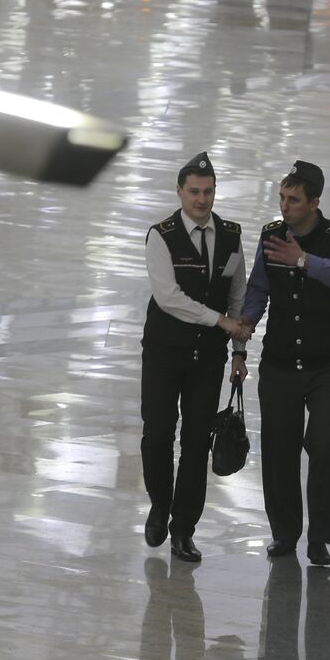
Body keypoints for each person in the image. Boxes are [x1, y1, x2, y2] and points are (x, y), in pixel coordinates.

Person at [242, 160, 330, 566]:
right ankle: (285, 534)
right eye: (282, 198)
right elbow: (259, 287)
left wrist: (303, 260)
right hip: (280, 363)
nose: (285, 206)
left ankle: (320, 537)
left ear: (314, 202)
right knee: (279, 450)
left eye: (293, 200)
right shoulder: (272, 236)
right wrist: (246, 324)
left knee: (324, 445)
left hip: (326, 366)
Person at [141, 151, 252, 563]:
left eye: (207, 192)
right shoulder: (161, 235)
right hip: (164, 354)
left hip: (208, 358)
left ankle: (183, 528)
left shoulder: (231, 235)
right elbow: (168, 298)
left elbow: (238, 292)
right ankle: (159, 505)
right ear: (179, 192)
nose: (201, 200)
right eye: (194, 192)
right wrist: (220, 322)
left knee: (195, 442)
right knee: (157, 434)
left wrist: (239, 348)